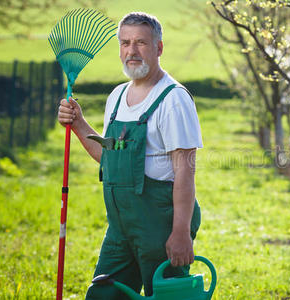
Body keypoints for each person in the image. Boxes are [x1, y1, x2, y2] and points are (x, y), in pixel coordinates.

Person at [57, 12, 202, 299]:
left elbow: (185, 171)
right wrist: (78, 124)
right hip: (120, 227)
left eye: (140, 43)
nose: (131, 51)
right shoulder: (117, 97)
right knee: (103, 294)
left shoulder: (173, 100)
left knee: (166, 296)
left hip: (160, 225)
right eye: (124, 43)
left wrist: (181, 233)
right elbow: (111, 158)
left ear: (158, 48)